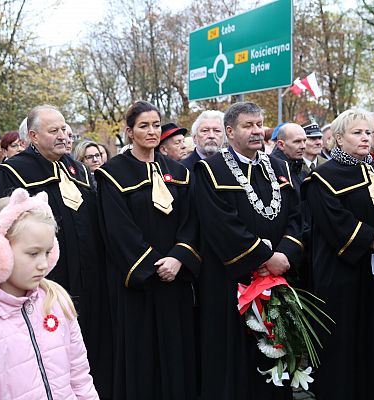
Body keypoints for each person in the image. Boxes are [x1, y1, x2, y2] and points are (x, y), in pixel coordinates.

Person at [0, 104, 111, 398]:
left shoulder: (77, 168)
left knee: (90, 351)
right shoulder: (12, 173)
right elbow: (7, 230)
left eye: (64, 128)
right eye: (53, 130)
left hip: (91, 279)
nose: (63, 135)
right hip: (48, 280)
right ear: (33, 135)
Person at [0, 188, 98, 400]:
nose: (43, 264)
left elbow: (80, 378)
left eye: (47, 252)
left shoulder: (56, 301)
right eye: (33, 253)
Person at [194, 102, 303, 400]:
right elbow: (219, 223)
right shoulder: (210, 169)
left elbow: (297, 217)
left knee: (274, 351)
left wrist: (284, 256)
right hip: (230, 281)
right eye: (248, 125)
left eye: (259, 124)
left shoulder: (279, 167)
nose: (257, 131)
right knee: (235, 360)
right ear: (230, 131)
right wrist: (263, 258)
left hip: (277, 279)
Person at [95, 100, 200, 400]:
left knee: (176, 352)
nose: (152, 131)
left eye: (155, 125)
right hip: (138, 285)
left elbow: (192, 221)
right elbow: (117, 231)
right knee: (142, 356)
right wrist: (153, 265)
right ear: (129, 132)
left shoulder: (179, 172)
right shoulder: (112, 174)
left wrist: (179, 258)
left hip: (175, 281)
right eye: (143, 126)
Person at [303, 109, 374, 400]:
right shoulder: (322, 178)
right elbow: (335, 221)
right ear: (338, 138)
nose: (365, 138)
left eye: (367, 132)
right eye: (357, 133)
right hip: (344, 276)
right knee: (348, 344)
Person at [271, 122, 307, 192]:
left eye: (304, 141)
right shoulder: (271, 171)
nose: (303, 146)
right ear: (281, 145)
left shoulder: (300, 169)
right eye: (297, 141)